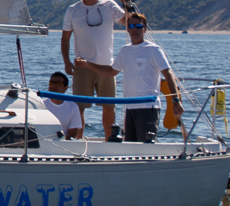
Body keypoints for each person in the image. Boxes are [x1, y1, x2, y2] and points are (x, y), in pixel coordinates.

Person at [75, 11, 182, 143]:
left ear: (145, 29)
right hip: (130, 107)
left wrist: (175, 100)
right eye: (131, 27)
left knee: (145, 146)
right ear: (127, 29)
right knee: (130, 145)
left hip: (148, 107)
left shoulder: (154, 50)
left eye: (138, 26)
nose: (135, 30)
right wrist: (89, 65)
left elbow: (168, 73)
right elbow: (111, 71)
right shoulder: (125, 51)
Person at [61, 0, 128, 140]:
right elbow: (65, 38)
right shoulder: (72, 10)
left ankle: (109, 140)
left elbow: (129, 22)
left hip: (107, 67)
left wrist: (127, 4)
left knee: (109, 106)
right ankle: (78, 141)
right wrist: (67, 62)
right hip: (82, 66)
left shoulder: (109, 5)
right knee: (80, 107)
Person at [42, 71, 83, 139]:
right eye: (51, 83)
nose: (53, 86)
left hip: (63, 144)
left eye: (58, 84)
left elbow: (72, 134)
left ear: (65, 88)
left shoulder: (73, 107)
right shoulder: (40, 104)